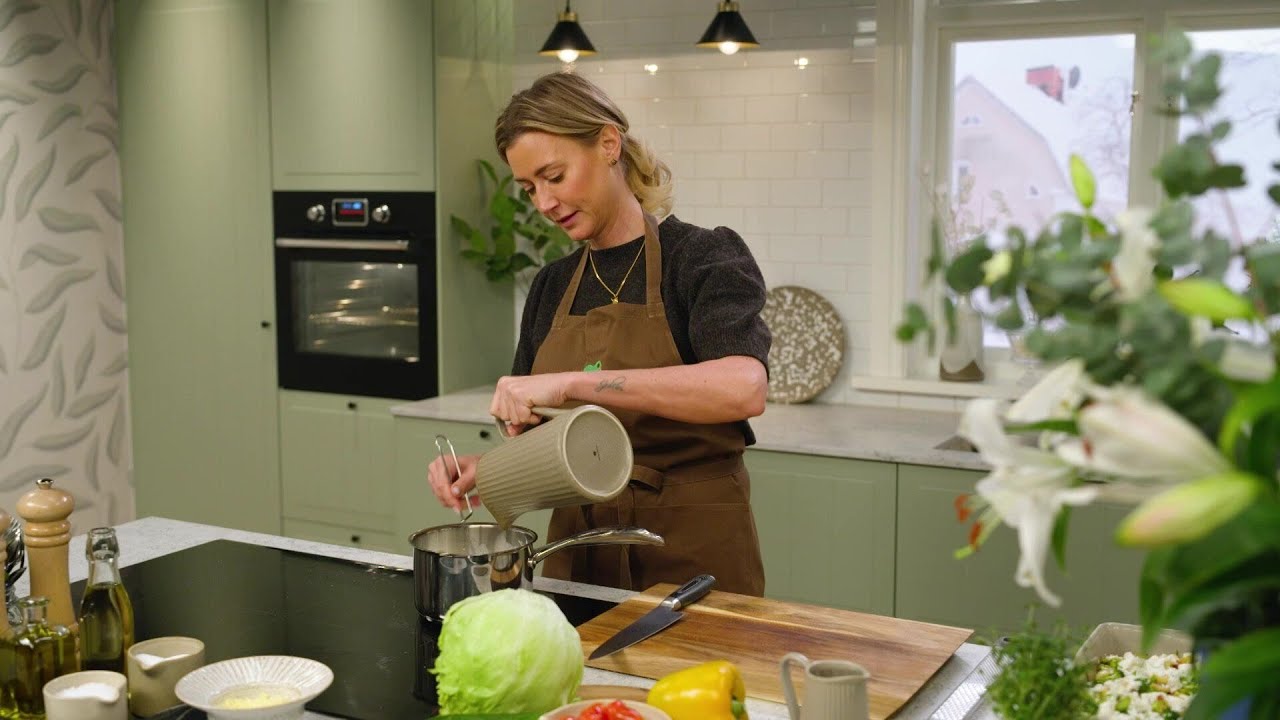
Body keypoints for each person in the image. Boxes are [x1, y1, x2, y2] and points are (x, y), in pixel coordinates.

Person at [426, 72, 772, 596]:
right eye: (528, 188)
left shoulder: (700, 258)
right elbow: (546, 438)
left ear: (609, 144)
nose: (542, 202)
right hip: (579, 549)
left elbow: (743, 386)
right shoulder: (553, 284)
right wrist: (489, 470)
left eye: (554, 175)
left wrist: (572, 384)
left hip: (693, 553)